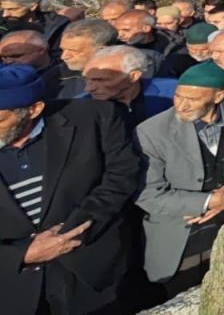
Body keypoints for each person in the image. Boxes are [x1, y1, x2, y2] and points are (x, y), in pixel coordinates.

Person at [0, 63, 141, 315]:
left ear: (34, 109)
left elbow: (121, 176)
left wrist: (70, 232)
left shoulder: (95, 117)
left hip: (86, 268)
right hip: (11, 284)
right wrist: (21, 254)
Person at [135, 61, 224, 297]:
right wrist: (209, 202)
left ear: (219, 96)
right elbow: (149, 195)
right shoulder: (151, 132)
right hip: (186, 236)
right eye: (178, 96)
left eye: (193, 99)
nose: (182, 105)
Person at [82, 45, 178, 129]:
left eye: (100, 80)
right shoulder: (81, 104)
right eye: (87, 79)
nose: (88, 88)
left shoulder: (174, 92)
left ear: (133, 76)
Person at [48, 18, 118, 99]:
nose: (63, 56)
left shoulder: (126, 77)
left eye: (74, 51)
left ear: (101, 50)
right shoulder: (56, 75)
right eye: (63, 49)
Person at [1, 0, 70, 56]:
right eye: (4, 9)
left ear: (33, 6)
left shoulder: (56, 25)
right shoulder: (3, 23)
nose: (5, 14)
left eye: (12, 9)